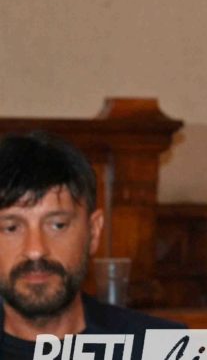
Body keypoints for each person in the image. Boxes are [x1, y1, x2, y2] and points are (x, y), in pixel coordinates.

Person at [0, 131, 182, 360]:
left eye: (57, 225)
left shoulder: (163, 349)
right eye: (11, 228)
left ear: (93, 232)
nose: (35, 250)